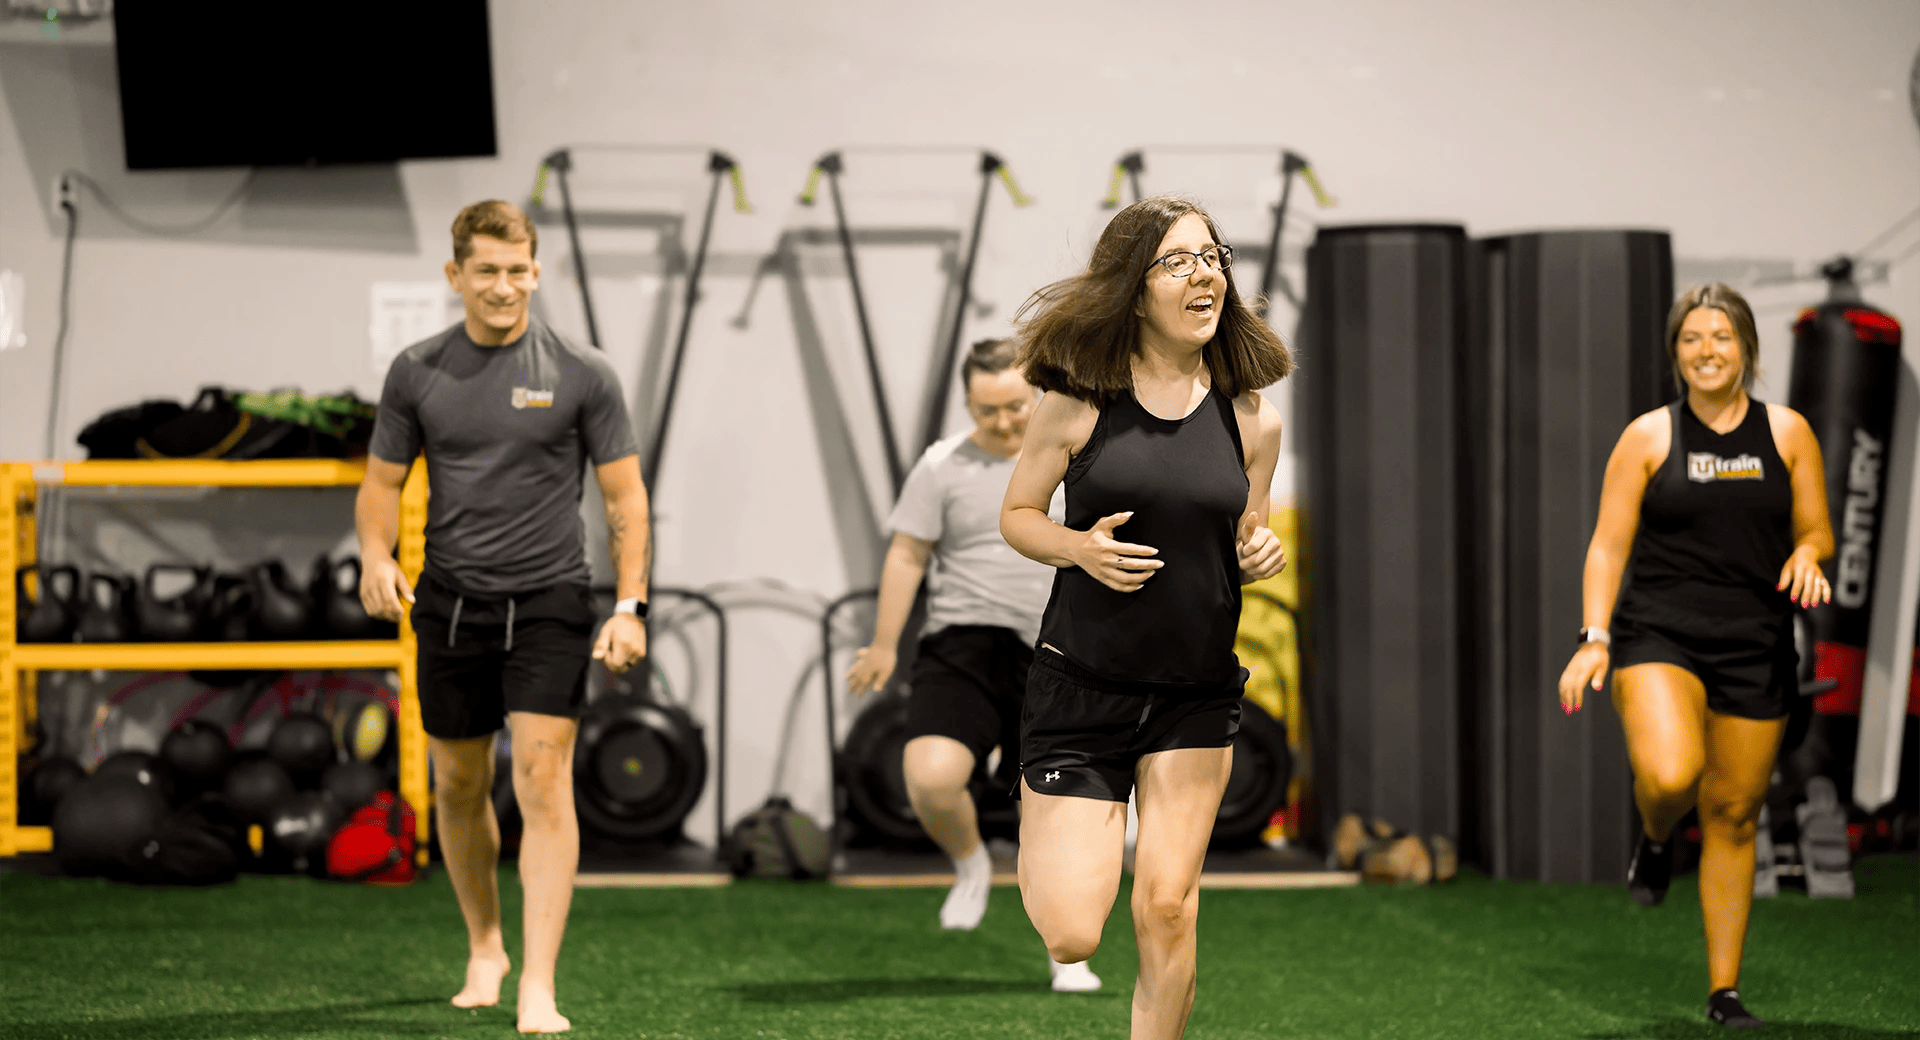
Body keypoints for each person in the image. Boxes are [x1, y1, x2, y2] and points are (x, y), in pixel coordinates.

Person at [999, 195, 1291, 1040]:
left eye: (1214, 257)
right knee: (1072, 931)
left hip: (1194, 695)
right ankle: (1039, 811)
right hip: (1080, 691)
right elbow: (1018, 514)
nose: (1205, 274)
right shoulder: (1078, 401)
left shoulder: (1251, 417)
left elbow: (1246, 530)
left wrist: (1257, 551)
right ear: (1134, 290)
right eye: (1178, 261)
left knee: (1167, 907)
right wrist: (1077, 548)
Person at [357, 199, 650, 1035]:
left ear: (536, 270)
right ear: (456, 276)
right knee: (457, 780)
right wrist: (377, 558)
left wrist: (629, 605)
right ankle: (486, 945)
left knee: (542, 777)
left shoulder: (582, 372)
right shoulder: (418, 371)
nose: (503, 286)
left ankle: (540, 985)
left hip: (553, 599)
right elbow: (380, 486)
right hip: (451, 600)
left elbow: (625, 497)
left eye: (517, 269)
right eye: (485, 270)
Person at [1558, 283, 1833, 1030]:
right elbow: (1607, 546)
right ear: (1675, 352)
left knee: (1736, 812)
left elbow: (1817, 530)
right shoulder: (1649, 436)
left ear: (1747, 347)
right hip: (1660, 633)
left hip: (1756, 642)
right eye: (1691, 339)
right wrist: (1595, 638)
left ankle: (1724, 990)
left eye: (1721, 337)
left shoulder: (1788, 433)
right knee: (1673, 774)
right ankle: (1654, 838)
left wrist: (1810, 556)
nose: (1706, 351)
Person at [844, 338, 1099, 992]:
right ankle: (971, 864)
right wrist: (882, 643)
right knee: (929, 776)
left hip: (1053, 650)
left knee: (1048, 809)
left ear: (1037, 396)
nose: (1005, 421)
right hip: (961, 644)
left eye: (1015, 405)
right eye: (988, 411)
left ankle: (1065, 954)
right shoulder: (941, 467)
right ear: (967, 405)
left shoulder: (1075, 457)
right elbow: (907, 555)